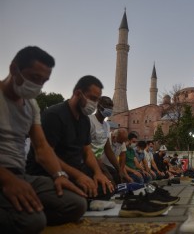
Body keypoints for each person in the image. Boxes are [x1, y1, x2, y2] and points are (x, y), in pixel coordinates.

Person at [0, 47, 86, 233]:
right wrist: (7, 180)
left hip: (19, 175)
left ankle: (22, 210)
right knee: (32, 222)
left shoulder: (30, 106)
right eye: (34, 77)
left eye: (43, 81)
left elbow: (41, 147)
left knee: (77, 204)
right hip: (4, 175)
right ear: (14, 69)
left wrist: (59, 175)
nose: (38, 85)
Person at [26, 75, 115, 202]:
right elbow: (46, 155)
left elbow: (87, 151)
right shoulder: (54, 116)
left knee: (107, 188)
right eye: (92, 99)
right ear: (78, 93)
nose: (94, 105)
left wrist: (98, 172)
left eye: (96, 101)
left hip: (73, 170)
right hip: (50, 172)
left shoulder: (84, 120)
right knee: (76, 203)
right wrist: (78, 176)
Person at [89, 96, 130, 185]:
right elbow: (87, 150)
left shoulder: (106, 126)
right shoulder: (89, 121)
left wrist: (120, 170)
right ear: (99, 106)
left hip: (98, 162)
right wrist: (104, 171)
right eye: (107, 105)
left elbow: (108, 149)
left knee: (118, 177)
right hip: (88, 161)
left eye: (111, 106)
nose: (109, 109)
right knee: (109, 181)